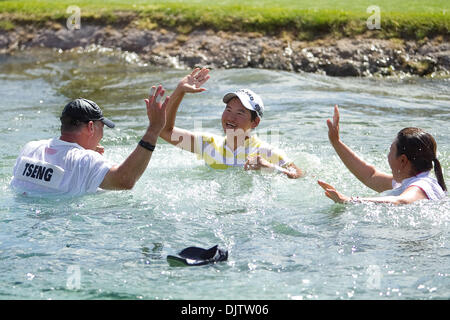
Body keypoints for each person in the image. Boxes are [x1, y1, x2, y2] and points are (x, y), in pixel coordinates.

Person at [10, 86, 169, 196]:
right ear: (91, 127)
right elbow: (125, 181)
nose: (102, 135)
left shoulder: (30, 148)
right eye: (102, 127)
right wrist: (153, 129)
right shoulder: (86, 161)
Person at [158, 68, 303, 179]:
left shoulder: (265, 152)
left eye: (240, 113)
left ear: (255, 122)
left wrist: (270, 167)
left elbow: (299, 175)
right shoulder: (208, 144)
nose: (230, 118)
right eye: (228, 109)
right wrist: (180, 90)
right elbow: (165, 131)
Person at [318, 105, 447, 204]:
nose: (388, 156)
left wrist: (348, 200)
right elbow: (370, 175)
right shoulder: (409, 182)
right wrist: (336, 142)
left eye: (391, 150)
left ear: (402, 160)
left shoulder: (421, 185)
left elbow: (401, 201)